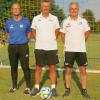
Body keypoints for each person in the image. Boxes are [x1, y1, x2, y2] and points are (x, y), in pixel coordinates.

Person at [30, 0, 60, 97]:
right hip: (39, 47)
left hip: (52, 47)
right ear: (41, 7)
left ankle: (53, 88)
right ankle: (37, 87)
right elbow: (33, 30)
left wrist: (51, 38)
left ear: (49, 7)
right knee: (38, 68)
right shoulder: (36, 18)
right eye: (44, 6)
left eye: (47, 6)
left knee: (52, 68)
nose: (45, 8)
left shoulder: (54, 18)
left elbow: (57, 30)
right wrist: (38, 39)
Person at [61, 2, 90, 99]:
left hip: (81, 50)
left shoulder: (84, 21)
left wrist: (80, 43)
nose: (74, 10)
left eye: (75, 8)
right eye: (72, 8)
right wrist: (68, 45)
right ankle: (67, 89)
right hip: (69, 50)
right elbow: (62, 35)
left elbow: (86, 33)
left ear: (78, 9)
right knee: (68, 71)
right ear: (69, 10)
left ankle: (84, 90)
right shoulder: (65, 21)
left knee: (83, 71)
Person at [5, 2, 31, 95]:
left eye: (17, 8)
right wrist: (13, 41)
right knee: (13, 67)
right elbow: (8, 33)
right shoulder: (8, 22)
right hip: (12, 47)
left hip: (23, 47)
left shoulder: (26, 21)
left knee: (25, 67)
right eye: (14, 8)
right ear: (12, 10)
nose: (16, 10)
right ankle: (14, 86)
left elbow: (29, 33)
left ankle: (28, 87)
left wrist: (24, 41)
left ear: (20, 10)